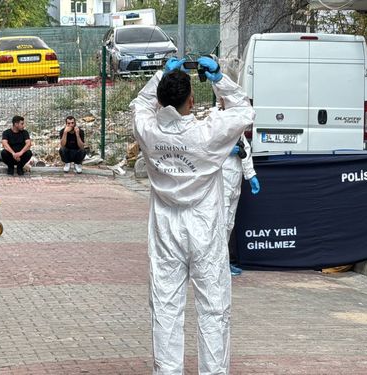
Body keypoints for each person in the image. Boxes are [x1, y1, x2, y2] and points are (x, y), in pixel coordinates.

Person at [130, 56, 254, 375]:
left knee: (166, 308)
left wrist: (161, 74)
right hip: (204, 225)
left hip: (165, 228)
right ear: (191, 100)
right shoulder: (207, 133)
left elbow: (139, 105)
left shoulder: (148, 131)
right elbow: (243, 110)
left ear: (160, 100)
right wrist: (219, 79)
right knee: (213, 309)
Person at [222, 133, 260, 276]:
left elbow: (245, 151)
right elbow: (206, 150)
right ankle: (217, 265)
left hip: (234, 182)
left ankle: (223, 263)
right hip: (221, 181)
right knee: (221, 224)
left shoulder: (239, 130)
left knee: (229, 225)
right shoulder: (217, 123)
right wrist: (225, 151)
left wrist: (251, 175)